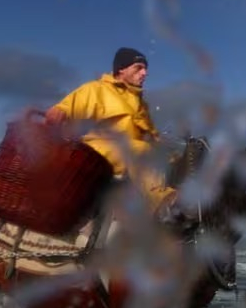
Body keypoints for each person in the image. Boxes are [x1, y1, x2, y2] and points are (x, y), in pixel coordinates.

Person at [44, 47, 188, 225]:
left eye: (146, 69)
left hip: (129, 151)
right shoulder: (96, 90)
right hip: (96, 151)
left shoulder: (139, 102)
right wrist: (59, 112)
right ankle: (164, 203)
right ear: (122, 69)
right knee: (140, 150)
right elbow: (68, 106)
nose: (145, 73)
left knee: (172, 156)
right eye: (138, 67)